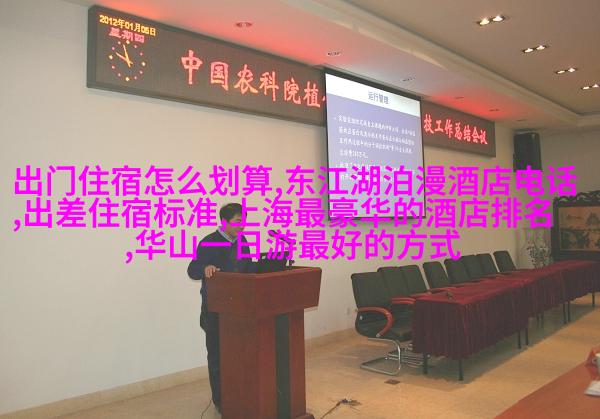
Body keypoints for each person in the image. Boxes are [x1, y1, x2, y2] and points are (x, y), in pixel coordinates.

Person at [187, 203, 256, 414]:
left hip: (240, 309)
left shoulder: (242, 242)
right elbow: (192, 269)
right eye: (237, 221)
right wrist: (205, 268)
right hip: (215, 310)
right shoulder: (209, 242)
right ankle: (220, 400)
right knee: (217, 356)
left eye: (244, 221)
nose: (242, 225)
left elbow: (248, 269)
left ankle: (241, 394)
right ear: (224, 222)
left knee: (239, 355)